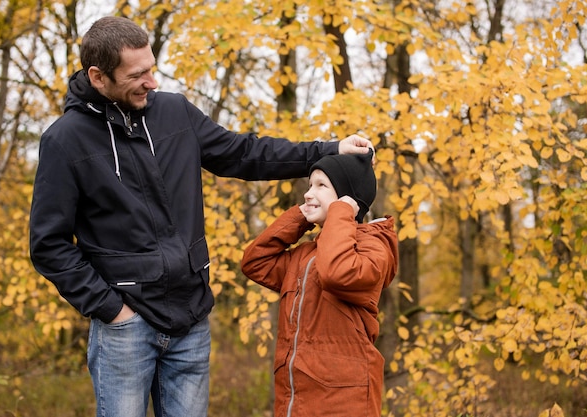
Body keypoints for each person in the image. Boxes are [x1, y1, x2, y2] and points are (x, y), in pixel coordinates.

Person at [28, 15, 373, 417]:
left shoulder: (174, 113)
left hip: (190, 319)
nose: (152, 82)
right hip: (124, 328)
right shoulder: (64, 140)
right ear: (98, 77)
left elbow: (245, 154)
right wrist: (111, 309)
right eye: (138, 75)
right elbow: (49, 246)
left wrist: (327, 150)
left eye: (152, 69)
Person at [241, 150, 399, 417]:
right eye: (309, 185)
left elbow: (337, 272)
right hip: (295, 401)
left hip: (343, 404)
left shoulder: (373, 247)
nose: (308, 193)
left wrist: (340, 212)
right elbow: (255, 262)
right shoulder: (304, 255)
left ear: (348, 199)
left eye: (321, 185)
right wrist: (300, 218)